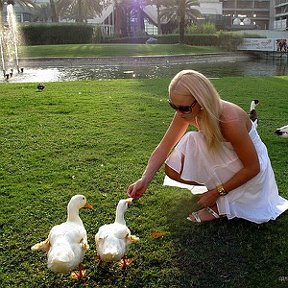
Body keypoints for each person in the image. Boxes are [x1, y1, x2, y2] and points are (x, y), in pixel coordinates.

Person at [127, 69, 288, 224]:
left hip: (251, 168)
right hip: (226, 157)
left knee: (192, 140)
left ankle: (221, 200)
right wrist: (145, 179)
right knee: (176, 163)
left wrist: (216, 192)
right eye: (173, 106)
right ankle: (220, 190)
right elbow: (164, 146)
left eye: (184, 107)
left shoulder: (229, 119)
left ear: (201, 99)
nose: (179, 112)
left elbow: (253, 167)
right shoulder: (185, 113)